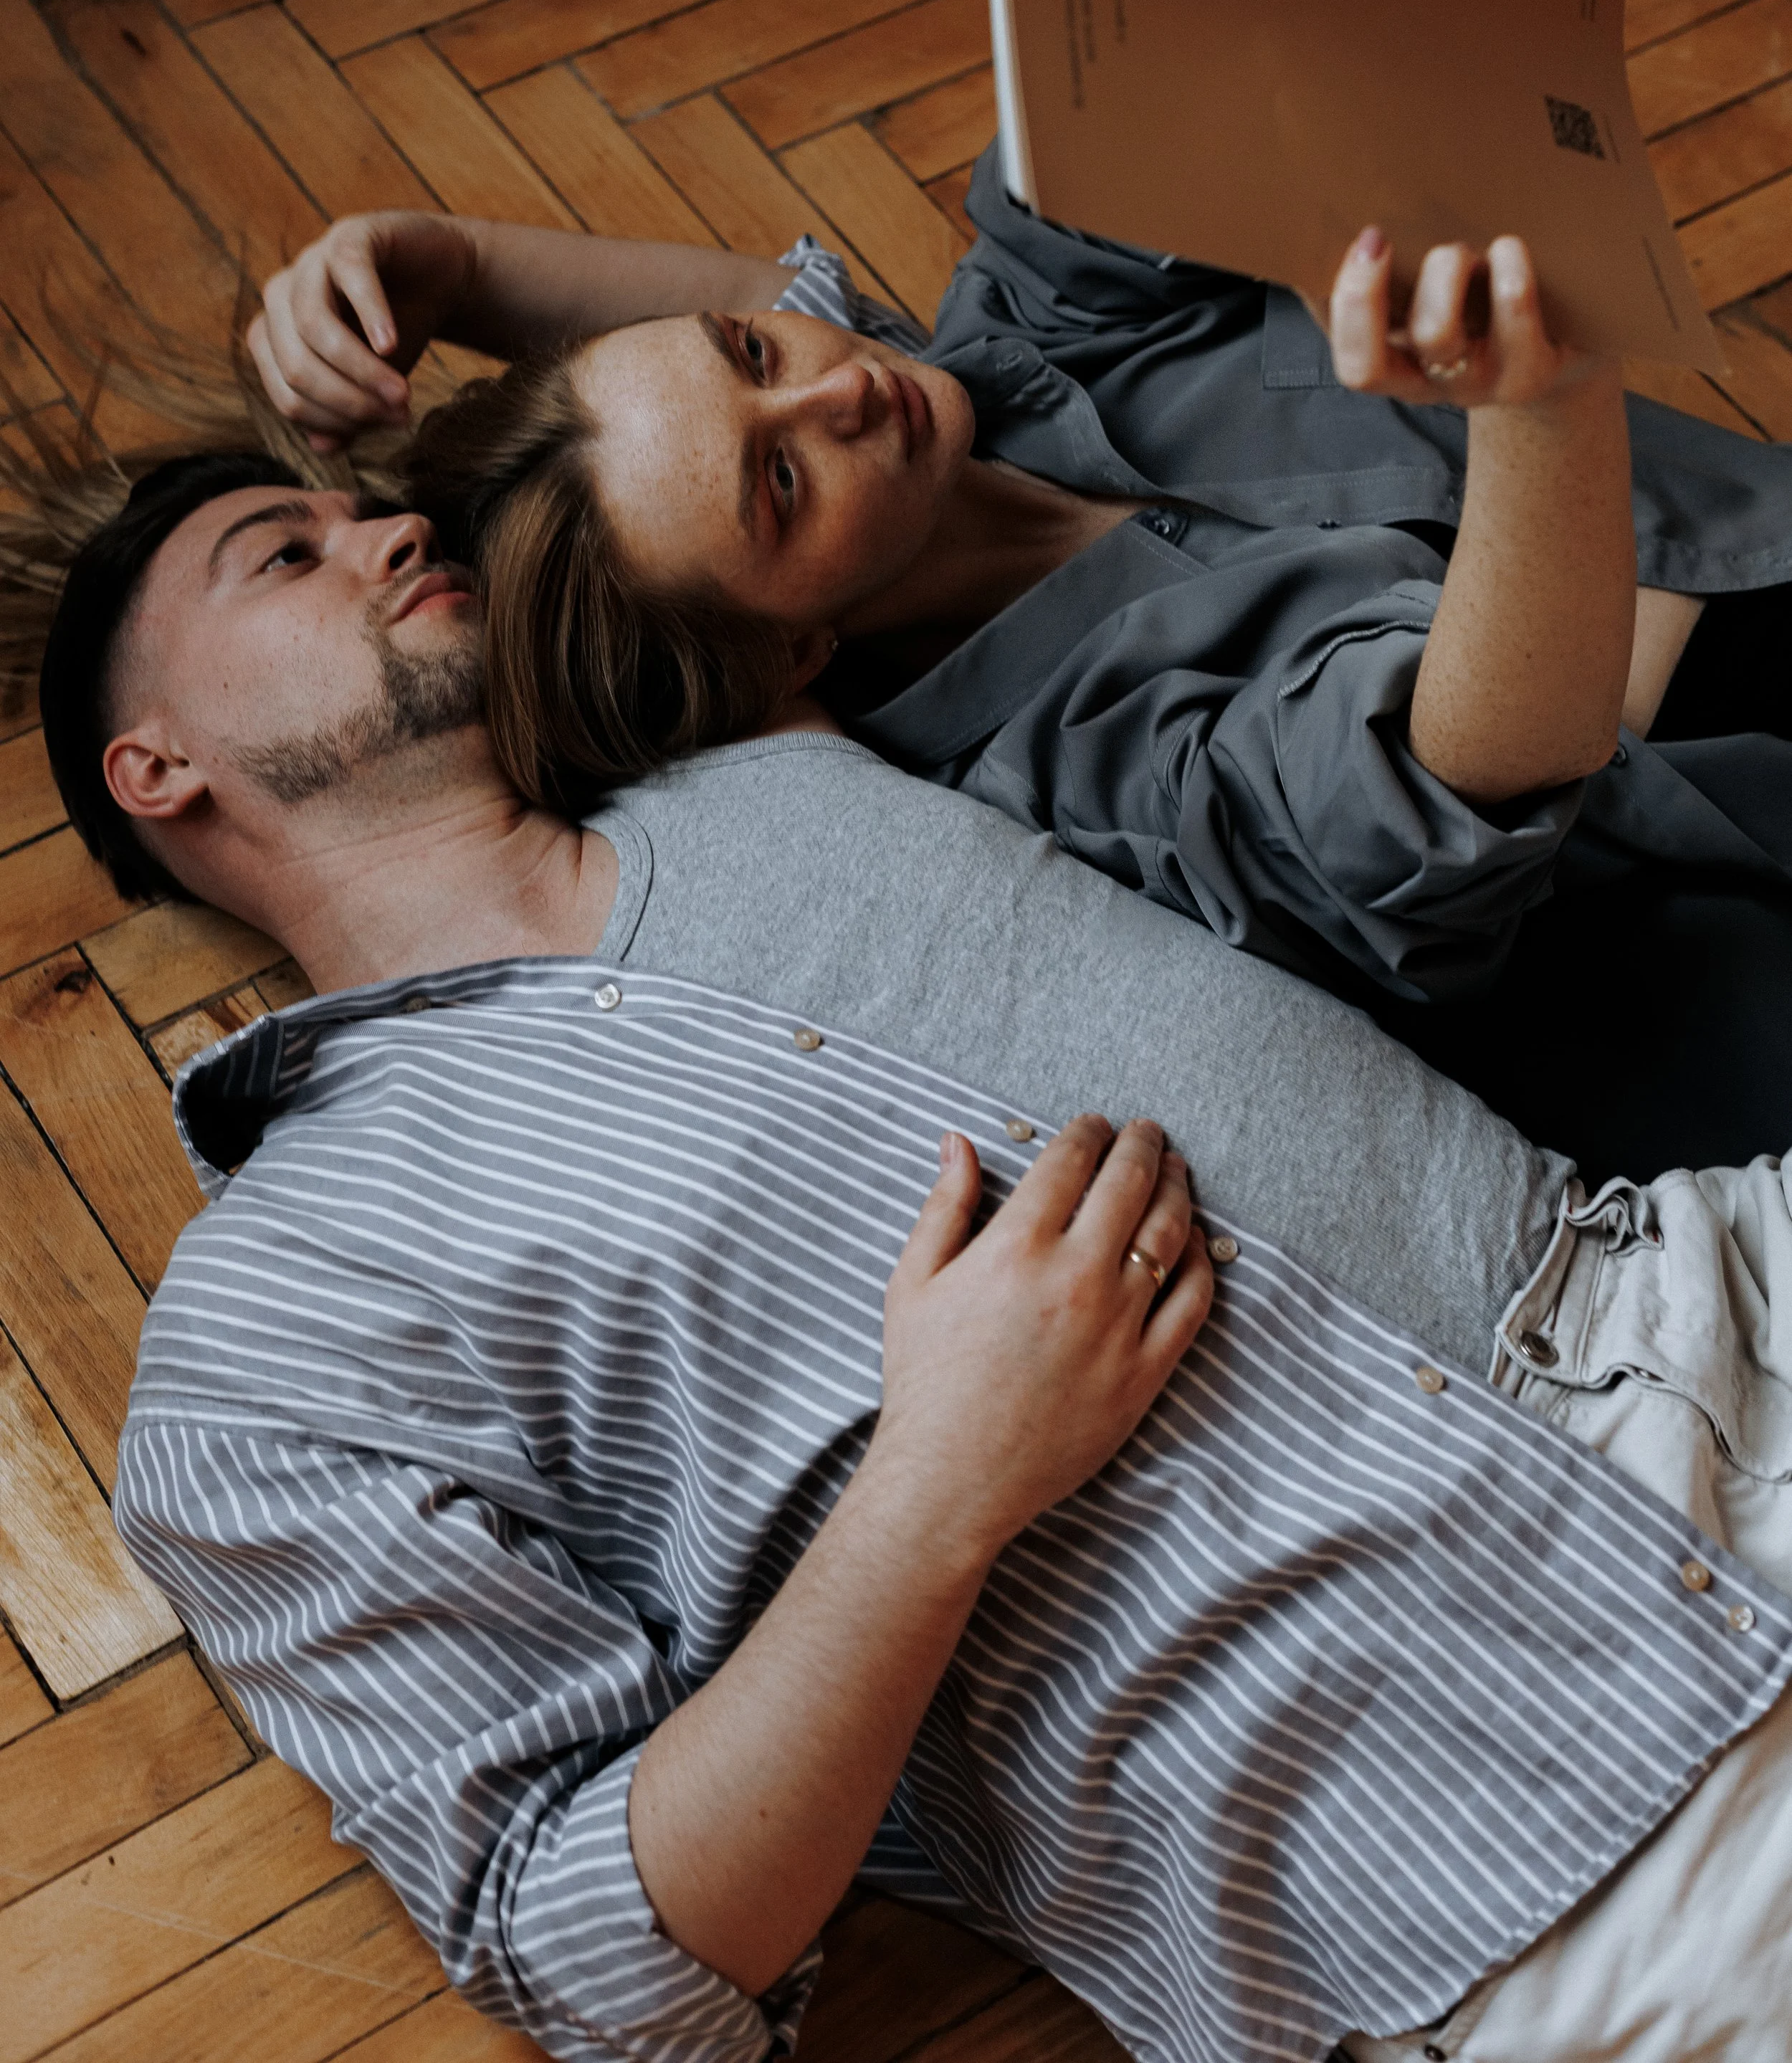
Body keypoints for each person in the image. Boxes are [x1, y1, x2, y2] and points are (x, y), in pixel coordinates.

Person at [4, 402, 1785, 2062]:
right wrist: (939, 1485)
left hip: (1702, 1284)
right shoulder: (266, 1347)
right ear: (155, 767)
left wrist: (456, 268)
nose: (384, 532)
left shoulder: (753, 748)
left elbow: (844, 402)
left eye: (369, 508)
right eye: (285, 554)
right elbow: (595, 1965)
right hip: (1519, 1817)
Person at [249, 173, 1792, 1171]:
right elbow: (1449, 781)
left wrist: (442, 266)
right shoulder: (1072, 785)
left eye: (753, 354)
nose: (844, 390)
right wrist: (1539, 416)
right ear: (793, 651)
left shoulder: (1033, 331)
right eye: (777, 489)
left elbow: (1122, 72)